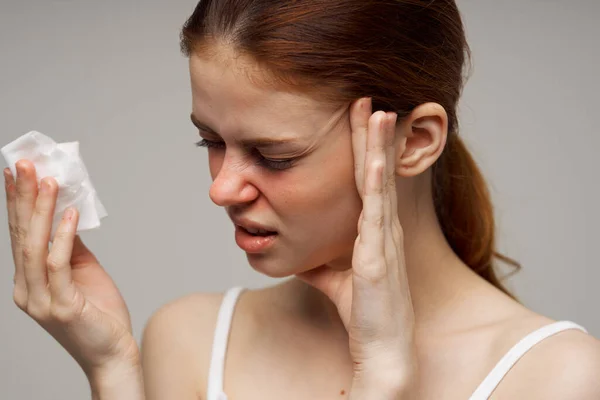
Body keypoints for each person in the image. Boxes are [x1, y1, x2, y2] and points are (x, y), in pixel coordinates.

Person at [4, 0, 600, 399]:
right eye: (210, 140)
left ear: (414, 143)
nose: (221, 189)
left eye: (275, 155)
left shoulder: (557, 378)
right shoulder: (187, 339)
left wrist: (385, 380)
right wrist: (111, 372)